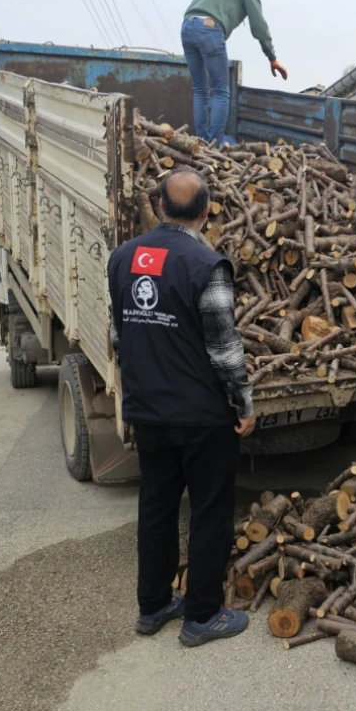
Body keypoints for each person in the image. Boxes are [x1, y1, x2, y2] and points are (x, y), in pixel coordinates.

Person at [108, 168, 257, 646]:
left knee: (156, 504)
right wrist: (244, 403)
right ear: (206, 211)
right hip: (201, 417)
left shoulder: (122, 258)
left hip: (147, 409)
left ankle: (152, 606)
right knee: (210, 510)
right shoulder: (206, 264)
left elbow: (118, 335)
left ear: (159, 207)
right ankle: (202, 616)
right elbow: (224, 347)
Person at [182, 0, 287, 145]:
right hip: (209, 27)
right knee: (220, 91)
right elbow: (258, 26)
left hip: (187, 25)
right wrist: (272, 57)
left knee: (200, 89)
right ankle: (214, 146)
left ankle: (201, 142)